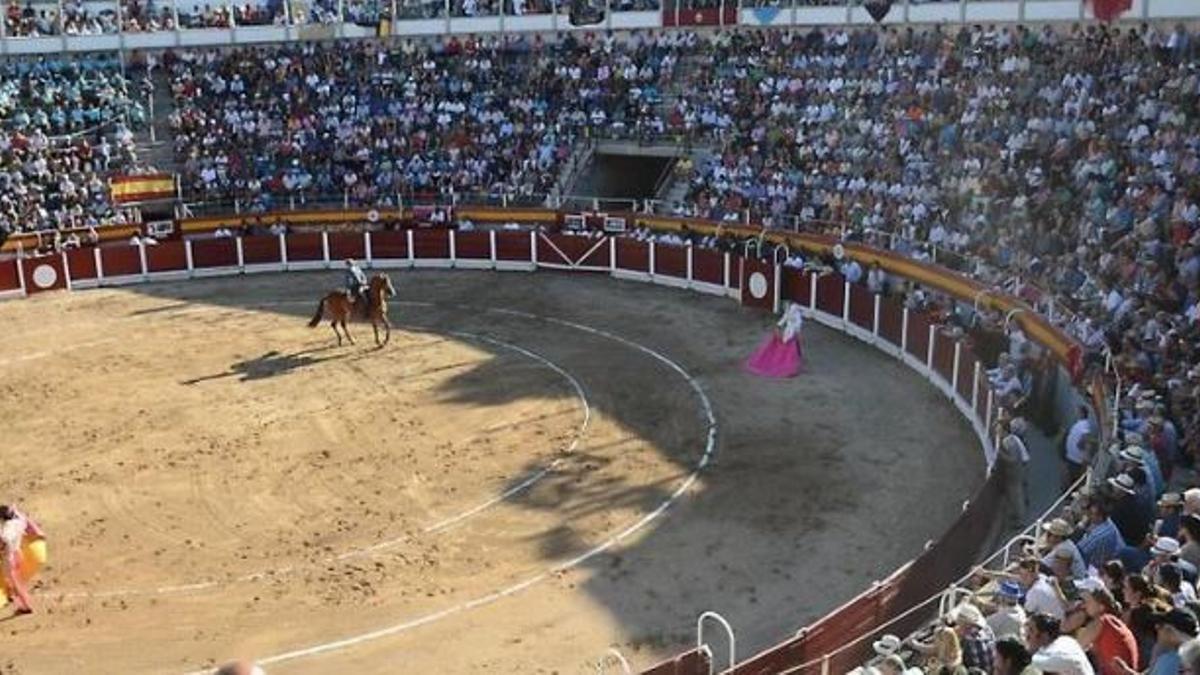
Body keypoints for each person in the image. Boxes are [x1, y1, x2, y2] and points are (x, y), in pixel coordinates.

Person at [1074, 584, 1139, 675]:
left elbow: (1073, 649)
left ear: (1101, 606)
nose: (1083, 606)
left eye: (1087, 602)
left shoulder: (1102, 621)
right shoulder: (1113, 622)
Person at [0, 504, 46, 615]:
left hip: (9, 558)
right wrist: (40, 534)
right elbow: (32, 527)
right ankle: (11, 594)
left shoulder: (4, 534)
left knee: (15, 582)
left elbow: (2, 546)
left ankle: (26, 606)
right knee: (17, 578)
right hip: (18, 553)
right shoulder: (19, 520)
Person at [745, 302, 804, 378]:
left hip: (789, 331)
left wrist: (778, 326)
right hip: (791, 332)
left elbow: (785, 318)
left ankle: (796, 364)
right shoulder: (796, 313)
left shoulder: (792, 312)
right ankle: (794, 365)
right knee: (793, 348)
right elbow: (794, 323)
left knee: (793, 347)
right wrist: (798, 333)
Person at [1026, 612, 1094, 675]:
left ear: (1044, 636)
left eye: (1031, 630)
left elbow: (1032, 661)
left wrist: (1032, 650)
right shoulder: (1066, 640)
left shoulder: (1055, 656)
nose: (1026, 634)